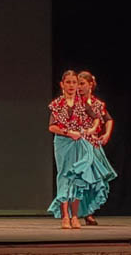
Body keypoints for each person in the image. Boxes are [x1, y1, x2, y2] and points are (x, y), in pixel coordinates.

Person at [47, 70, 107, 229]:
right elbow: (52, 127)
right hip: (63, 142)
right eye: (68, 82)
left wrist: (91, 130)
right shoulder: (57, 104)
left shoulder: (82, 103)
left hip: (79, 143)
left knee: (78, 177)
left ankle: (75, 216)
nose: (72, 85)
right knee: (64, 175)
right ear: (62, 84)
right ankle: (65, 216)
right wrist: (68, 132)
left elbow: (97, 118)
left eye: (74, 82)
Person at [76, 71, 117, 226]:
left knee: (94, 179)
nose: (79, 87)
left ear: (90, 84)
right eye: (78, 84)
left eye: (82, 84)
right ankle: (76, 213)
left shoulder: (97, 104)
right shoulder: (74, 102)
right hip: (78, 143)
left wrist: (106, 134)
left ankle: (89, 212)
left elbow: (108, 119)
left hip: (93, 144)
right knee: (80, 178)